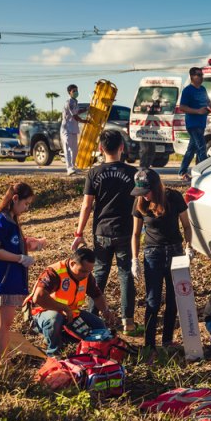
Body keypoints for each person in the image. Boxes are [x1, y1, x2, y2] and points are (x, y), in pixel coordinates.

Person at [71, 130, 139, 334]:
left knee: (99, 274)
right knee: (125, 274)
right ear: (122, 148)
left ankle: (93, 317)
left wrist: (79, 232)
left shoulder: (94, 173)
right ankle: (128, 321)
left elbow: (86, 206)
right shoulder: (132, 173)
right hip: (126, 231)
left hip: (102, 231)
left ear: (101, 149)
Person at [0, 182, 44, 364]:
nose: (27, 208)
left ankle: (1, 357)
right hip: (1, 281)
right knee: (3, 325)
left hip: (9, 280)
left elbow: (12, 244)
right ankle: (1, 362)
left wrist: (31, 244)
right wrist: (20, 258)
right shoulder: (1, 221)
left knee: (4, 324)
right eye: (26, 203)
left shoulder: (11, 220)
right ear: (15, 199)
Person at [130, 168, 194, 349]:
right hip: (153, 254)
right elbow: (135, 234)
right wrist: (134, 259)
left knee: (174, 299)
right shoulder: (139, 202)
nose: (145, 196)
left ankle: (167, 340)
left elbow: (187, 226)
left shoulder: (173, 197)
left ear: (156, 188)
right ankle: (149, 344)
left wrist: (189, 247)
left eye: (147, 192)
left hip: (175, 251)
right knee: (153, 300)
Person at [31, 247, 115, 357]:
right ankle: (53, 352)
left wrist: (105, 310)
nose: (86, 275)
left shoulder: (86, 275)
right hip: (45, 312)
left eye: (89, 271)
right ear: (72, 263)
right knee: (54, 319)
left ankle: (80, 345)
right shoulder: (54, 272)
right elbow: (38, 297)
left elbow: (96, 295)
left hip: (72, 312)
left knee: (99, 325)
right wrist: (63, 308)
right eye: (83, 271)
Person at [177, 67, 211, 181]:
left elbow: (209, 103)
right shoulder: (187, 90)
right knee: (202, 148)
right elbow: (182, 107)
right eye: (199, 75)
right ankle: (206, 173)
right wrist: (197, 111)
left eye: (202, 75)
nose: (201, 77)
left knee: (191, 150)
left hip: (201, 124)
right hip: (193, 124)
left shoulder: (202, 89)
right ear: (192, 76)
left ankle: (182, 172)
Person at [61, 84, 88, 176]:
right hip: (66, 129)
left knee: (75, 150)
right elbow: (75, 116)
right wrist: (84, 121)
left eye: (76, 90)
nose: (76, 92)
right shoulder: (69, 102)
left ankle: (73, 166)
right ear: (69, 93)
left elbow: (77, 112)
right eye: (74, 91)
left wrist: (86, 109)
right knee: (68, 149)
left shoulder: (75, 102)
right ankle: (69, 168)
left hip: (73, 129)